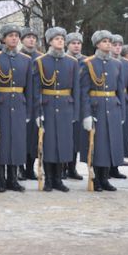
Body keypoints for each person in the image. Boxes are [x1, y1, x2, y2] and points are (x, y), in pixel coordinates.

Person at [0, 24, 34, 192]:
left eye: (16, 36)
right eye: (10, 36)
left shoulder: (26, 60)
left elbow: (29, 88)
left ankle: (13, 179)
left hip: (19, 105)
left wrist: (28, 111)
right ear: (4, 39)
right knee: (2, 142)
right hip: (2, 105)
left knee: (17, 142)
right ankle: (1, 179)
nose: (14, 38)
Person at [35, 26, 80, 192]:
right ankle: (48, 179)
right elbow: (36, 89)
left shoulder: (72, 62)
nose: (60, 41)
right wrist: (38, 112)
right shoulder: (40, 61)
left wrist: (75, 112)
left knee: (63, 143)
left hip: (66, 106)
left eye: (62, 39)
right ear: (50, 42)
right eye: (56, 39)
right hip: (47, 106)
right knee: (48, 144)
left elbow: (76, 89)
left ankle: (58, 179)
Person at [81, 30, 125, 192]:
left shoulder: (117, 64)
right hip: (96, 107)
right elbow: (84, 91)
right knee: (97, 145)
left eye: (109, 41)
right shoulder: (88, 63)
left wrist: (122, 113)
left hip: (113, 107)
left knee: (110, 143)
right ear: (97, 44)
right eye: (104, 41)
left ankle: (105, 178)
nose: (108, 44)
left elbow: (120, 90)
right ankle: (95, 179)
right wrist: (86, 114)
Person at [20, 27, 42, 180]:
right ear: (22, 40)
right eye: (28, 37)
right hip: (20, 100)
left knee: (34, 136)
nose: (31, 40)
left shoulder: (41, 58)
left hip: (37, 101)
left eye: (34, 37)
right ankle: (20, 168)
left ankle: (29, 168)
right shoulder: (18, 56)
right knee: (21, 136)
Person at [111, 34, 128, 172]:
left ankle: (117, 165)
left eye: (120, 45)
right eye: (115, 45)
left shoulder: (127, 63)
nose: (118, 48)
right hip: (109, 99)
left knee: (122, 135)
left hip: (124, 100)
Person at [65, 31, 85, 180]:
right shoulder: (63, 59)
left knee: (76, 138)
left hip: (82, 102)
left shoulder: (86, 61)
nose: (76, 46)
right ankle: (61, 167)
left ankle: (72, 168)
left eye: (78, 43)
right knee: (65, 136)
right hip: (66, 101)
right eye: (73, 43)